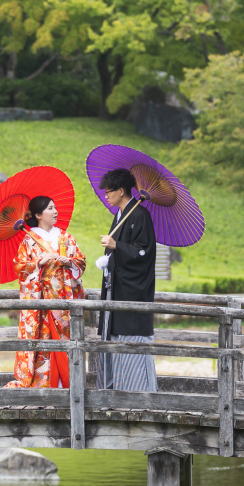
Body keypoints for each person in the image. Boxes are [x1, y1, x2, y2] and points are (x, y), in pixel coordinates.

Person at [6, 194, 86, 389]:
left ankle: (67, 384)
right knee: (41, 340)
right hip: (39, 300)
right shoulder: (28, 241)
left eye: (55, 207)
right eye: (50, 208)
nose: (55, 211)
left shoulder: (66, 238)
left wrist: (70, 262)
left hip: (64, 299)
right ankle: (41, 385)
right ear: (38, 215)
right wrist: (39, 262)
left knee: (65, 341)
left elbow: (81, 261)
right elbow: (20, 268)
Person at [96, 167, 158, 392]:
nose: (106, 195)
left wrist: (117, 246)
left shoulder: (140, 215)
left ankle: (136, 392)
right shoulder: (120, 215)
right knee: (113, 337)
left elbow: (145, 252)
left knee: (131, 340)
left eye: (109, 192)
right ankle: (113, 389)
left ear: (121, 191)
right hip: (116, 288)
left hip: (133, 290)